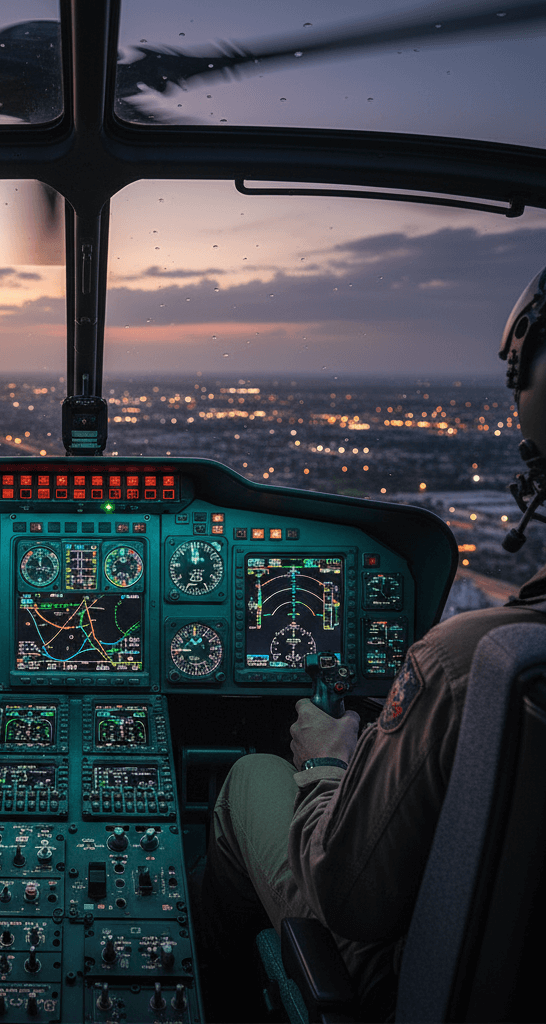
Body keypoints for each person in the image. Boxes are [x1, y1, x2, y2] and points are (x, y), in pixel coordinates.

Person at [198, 264, 546, 1019]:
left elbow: (348, 894)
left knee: (253, 776)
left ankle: (227, 987)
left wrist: (328, 764)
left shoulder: (466, 663)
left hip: (410, 977)